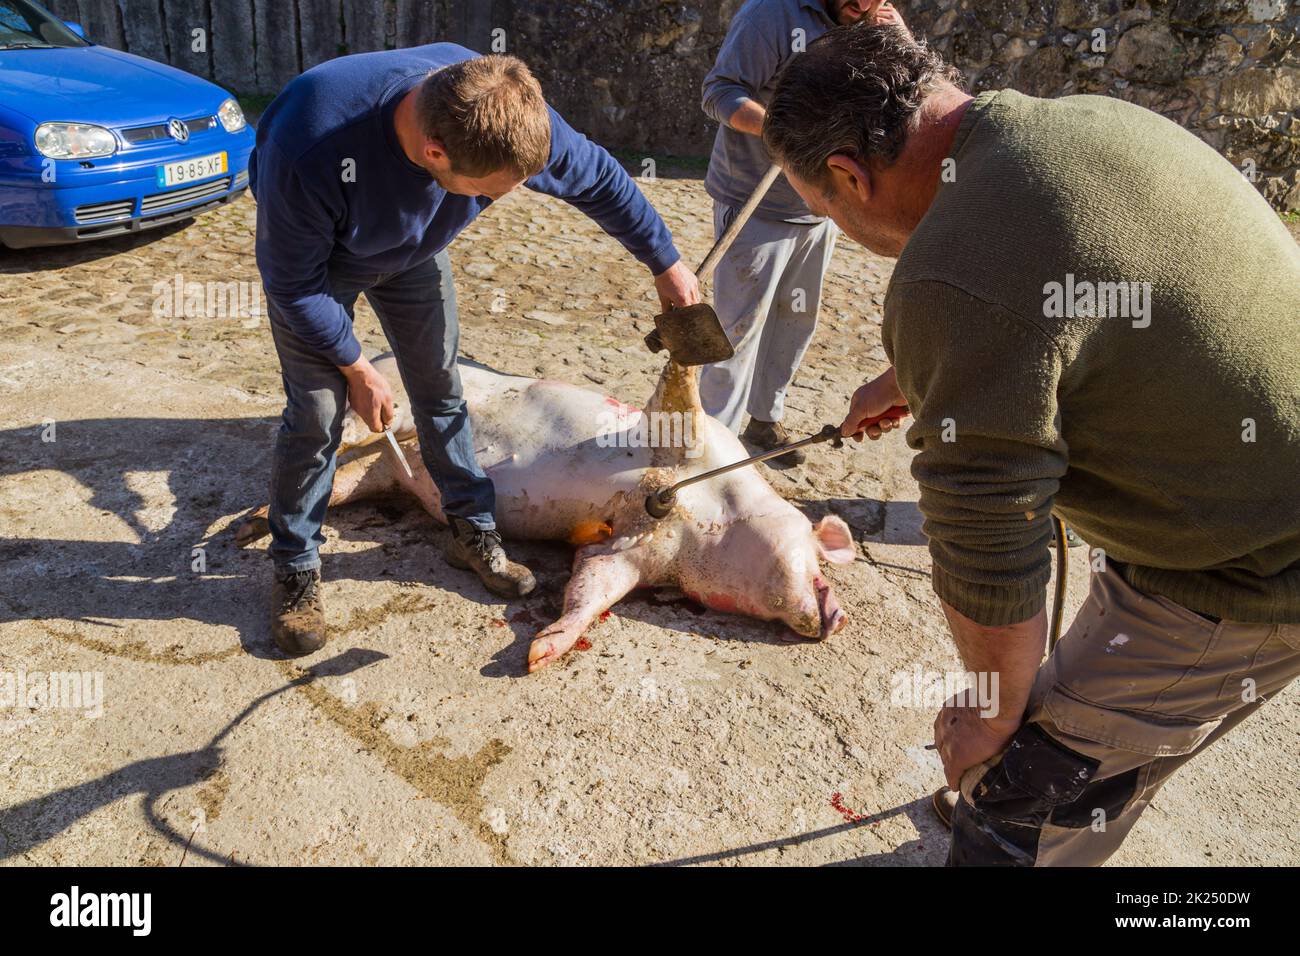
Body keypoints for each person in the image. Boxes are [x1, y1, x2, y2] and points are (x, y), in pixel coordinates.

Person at [763, 23, 1300, 864]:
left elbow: (989, 541)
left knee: (1022, 795)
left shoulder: (948, 276)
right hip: (1248, 474)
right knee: (1082, 736)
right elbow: (1077, 289)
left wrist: (987, 716)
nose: (832, 218)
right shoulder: (1078, 123)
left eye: (822, 206)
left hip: (1248, 560)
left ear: (846, 175)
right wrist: (920, 375)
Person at [252, 46, 699, 655]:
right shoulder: (312, 142)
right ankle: (296, 566)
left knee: (440, 387)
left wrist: (665, 263)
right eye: (492, 192)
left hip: (411, 254)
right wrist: (355, 366)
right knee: (317, 415)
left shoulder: (500, 108)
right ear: (435, 154)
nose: (507, 197)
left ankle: (471, 529)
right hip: (320, 270)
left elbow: (598, 176)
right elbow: (293, 286)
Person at [699, 0, 905, 464]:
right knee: (737, 327)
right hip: (757, 200)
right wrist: (778, 130)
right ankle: (716, 443)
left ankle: (764, 420)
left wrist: (898, 39)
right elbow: (720, 92)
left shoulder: (872, 21)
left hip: (823, 203)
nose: (861, 4)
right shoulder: (768, 16)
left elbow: (901, 95)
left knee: (796, 319)